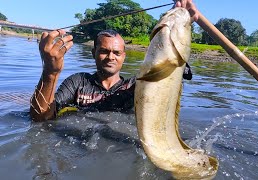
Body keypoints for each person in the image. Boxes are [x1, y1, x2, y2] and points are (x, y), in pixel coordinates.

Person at [30, 0, 200, 122]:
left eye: (117, 53)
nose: (111, 57)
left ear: (123, 57)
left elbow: (165, 67)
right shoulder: (77, 82)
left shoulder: (135, 86)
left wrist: (178, 20)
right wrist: (50, 72)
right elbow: (41, 118)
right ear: (93, 53)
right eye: (104, 51)